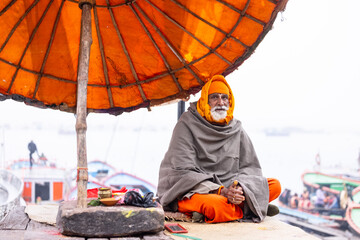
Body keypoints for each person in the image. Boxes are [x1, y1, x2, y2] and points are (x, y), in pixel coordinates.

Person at [157, 75, 281, 223]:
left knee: (274, 186)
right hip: (195, 191)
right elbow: (184, 172)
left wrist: (239, 189)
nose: (221, 103)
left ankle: (238, 206)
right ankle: (250, 207)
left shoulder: (236, 128)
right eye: (214, 97)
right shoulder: (186, 124)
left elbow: (250, 167)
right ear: (205, 101)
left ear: (230, 101)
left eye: (224, 98)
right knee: (216, 205)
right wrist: (220, 191)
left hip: (231, 189)